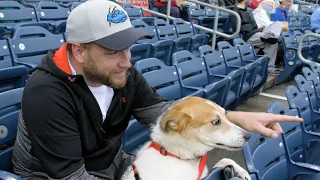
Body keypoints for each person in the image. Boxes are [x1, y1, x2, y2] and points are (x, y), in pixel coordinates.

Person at [12, 0, 303, 179]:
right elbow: (70, 177)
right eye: (114, 51)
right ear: (79, 51)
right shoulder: (46, 93)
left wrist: (231, 118)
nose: (127, 61)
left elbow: (161, 112)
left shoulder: (121, 73)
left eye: (128, 48)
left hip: (111, 165)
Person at [230, 0, 283, 74]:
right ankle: (269, 67)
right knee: (272, 41)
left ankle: (272, 37)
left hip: (258, 32)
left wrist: (254, 26)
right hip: (248, 36)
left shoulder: (248, 11)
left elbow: (253, 24)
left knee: (278, 24)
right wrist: (254, 26)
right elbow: (239, 28)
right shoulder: (234, 12)